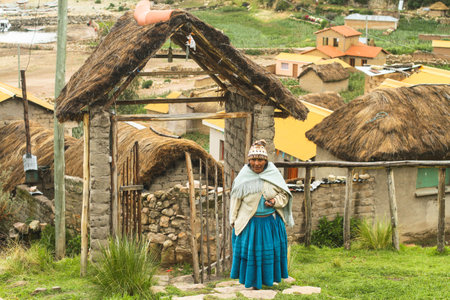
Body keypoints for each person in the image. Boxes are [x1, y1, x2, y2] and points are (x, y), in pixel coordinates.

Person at [229, 140, 294, 290]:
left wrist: (274, 201)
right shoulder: (242, 178)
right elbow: (235, 200)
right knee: (252, 255)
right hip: (250, 224)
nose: (257, 163)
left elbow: (285, 195)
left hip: (270, 224)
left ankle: (267, 280)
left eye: (260, 160)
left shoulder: (273, 175)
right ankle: (252, 282)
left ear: (266, 161)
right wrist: (233, 220)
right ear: (249, 160)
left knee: (268, 254)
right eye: (253, 159)